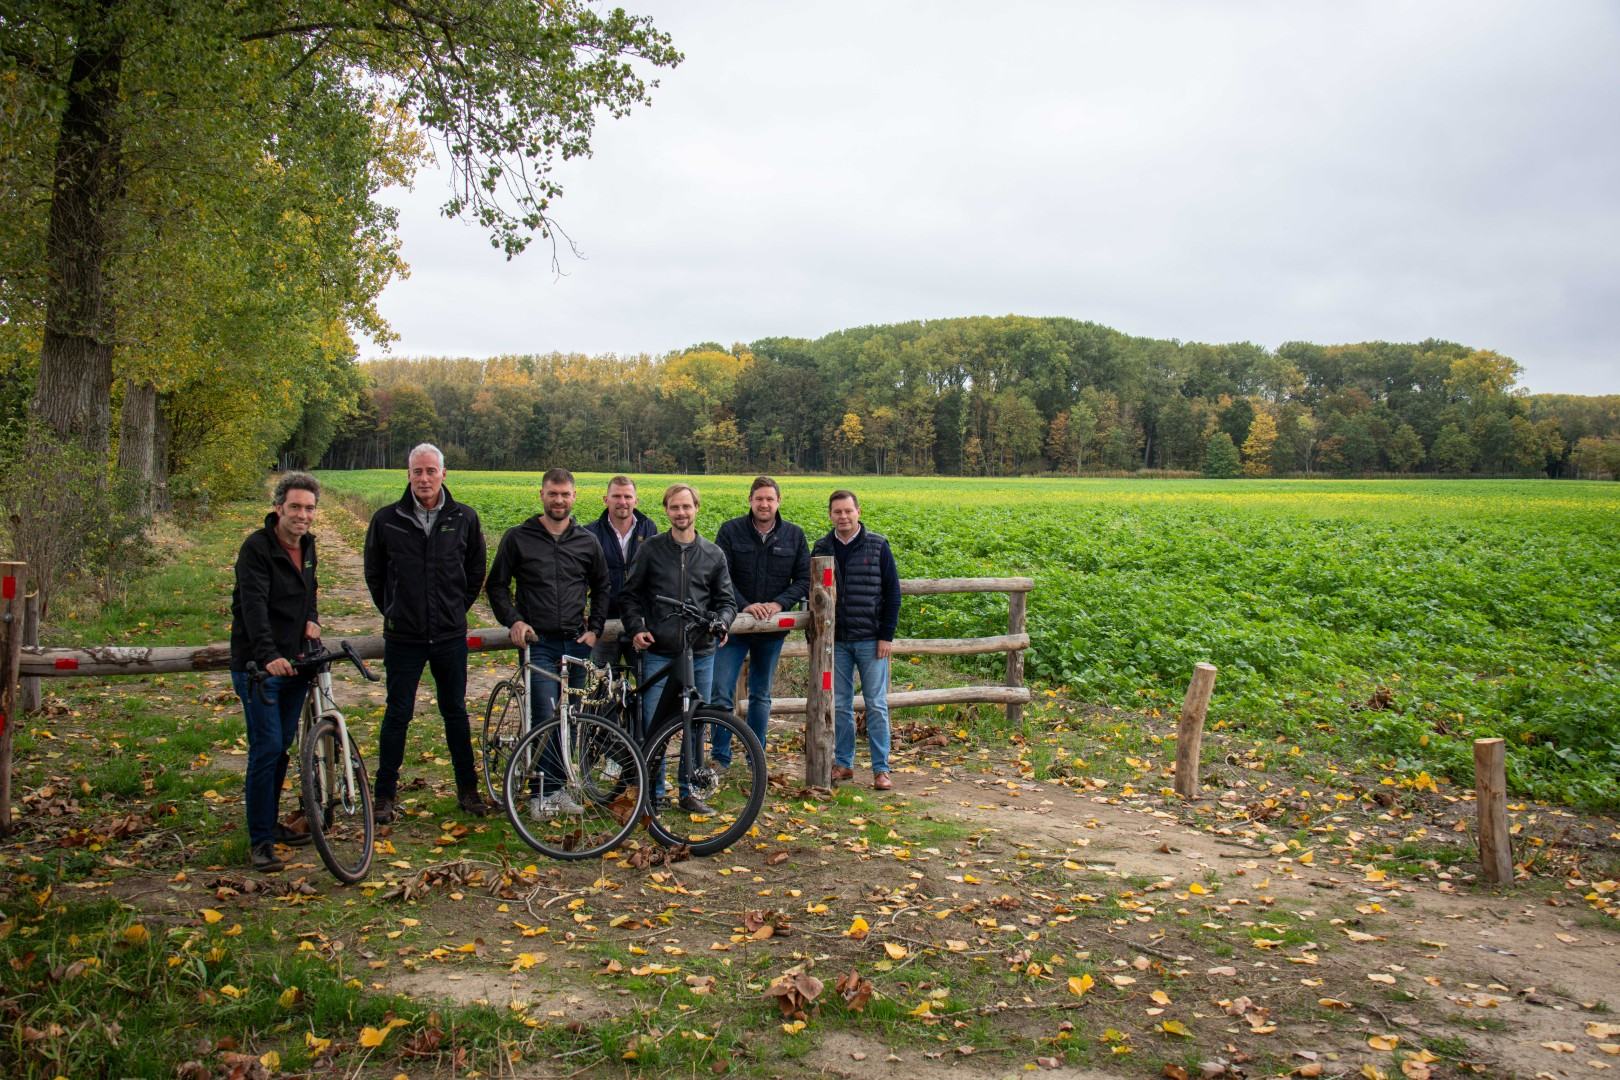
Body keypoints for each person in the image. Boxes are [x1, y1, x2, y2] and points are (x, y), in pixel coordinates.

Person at [363, 443, 490, 824]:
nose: (424, 478)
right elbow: (374, 575)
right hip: (403, 637)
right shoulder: (387, 519)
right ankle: (384, 795)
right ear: (408, 474)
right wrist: (394, 610)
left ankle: (468, 791)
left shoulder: (464, 518)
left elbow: (475, 573)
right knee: (397, 715)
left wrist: (453, 610)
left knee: (456, 713)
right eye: (417, 471)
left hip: (450, 636)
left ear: (443, 474)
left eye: (430, 471)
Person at [486, 467, 610, 814]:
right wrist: (513, 620)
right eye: (552, 494)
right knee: (545, 713)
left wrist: (595, 627)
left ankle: (558, 790)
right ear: (541, 495)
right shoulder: (518, 538)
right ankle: (543, 793)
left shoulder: (587, 541)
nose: (559, 500)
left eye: (565, 494)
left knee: (573, 717)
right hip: (537, 643)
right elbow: (496, 586)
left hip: (576, 642)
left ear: (574, 497)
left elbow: (602, 586)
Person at [620, 483, 736, 813]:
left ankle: (688, 791)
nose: (681, 513)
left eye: (687, 506)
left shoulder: (713, 554)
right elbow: (629, 595)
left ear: (696, 508)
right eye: (675, 507)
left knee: (695, 723)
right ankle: (652, 793)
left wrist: (723, 622)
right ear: (666, 510)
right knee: (654, 724)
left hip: (700, 651)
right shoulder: (652, 550)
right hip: (660, 651)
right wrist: (637, 628)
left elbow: (727, 601)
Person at [229, 473, 323, 872]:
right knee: (265, 749)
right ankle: (260, 840)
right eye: (295, 507)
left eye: (309, 508)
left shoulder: (308, 547)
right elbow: (252, 606)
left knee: (281, 745)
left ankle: (269, 822)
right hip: (260, 668)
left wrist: (312, 620)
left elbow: (309, 592)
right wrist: (267, 655)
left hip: (295, 664)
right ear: (278, 508)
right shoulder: (257, 549)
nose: (302, 515)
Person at [709, 476, 809, 771]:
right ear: (750, 501)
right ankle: (720, 757)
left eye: (770, 499)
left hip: (772, 629)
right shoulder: (730, 531)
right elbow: (719, 574)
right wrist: (744, 605)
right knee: (720, 691)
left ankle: (756, 756)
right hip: (733, 626)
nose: (764, 504)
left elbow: (804, 578)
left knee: (761, 695)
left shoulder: (794, 535)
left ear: (779, 502)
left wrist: (779, 603)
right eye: (759, 499)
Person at [811, 489, 901, 791]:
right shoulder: (822, 547)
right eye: (837, 512)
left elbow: (893, 594)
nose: (843, 517)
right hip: (836, 641)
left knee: (876, 704)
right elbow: (812, 593)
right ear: (830, 515)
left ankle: (881, 769)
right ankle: (845, 763)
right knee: (840, 705)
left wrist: (885, 635)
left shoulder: (877, 546)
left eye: (848, 511)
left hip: (871, 640)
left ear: (858, 512)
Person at [582, 475, 658, 670]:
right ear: (605, 499)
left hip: (640, 620)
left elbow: (655, 574)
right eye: (616, 496)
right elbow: (581, 577)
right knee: (600, 686)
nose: (622, 502)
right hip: (604, 618)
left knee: (645, 681)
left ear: (636, 500)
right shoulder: (591, 533)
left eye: (627, 496)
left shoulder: (649, 528)